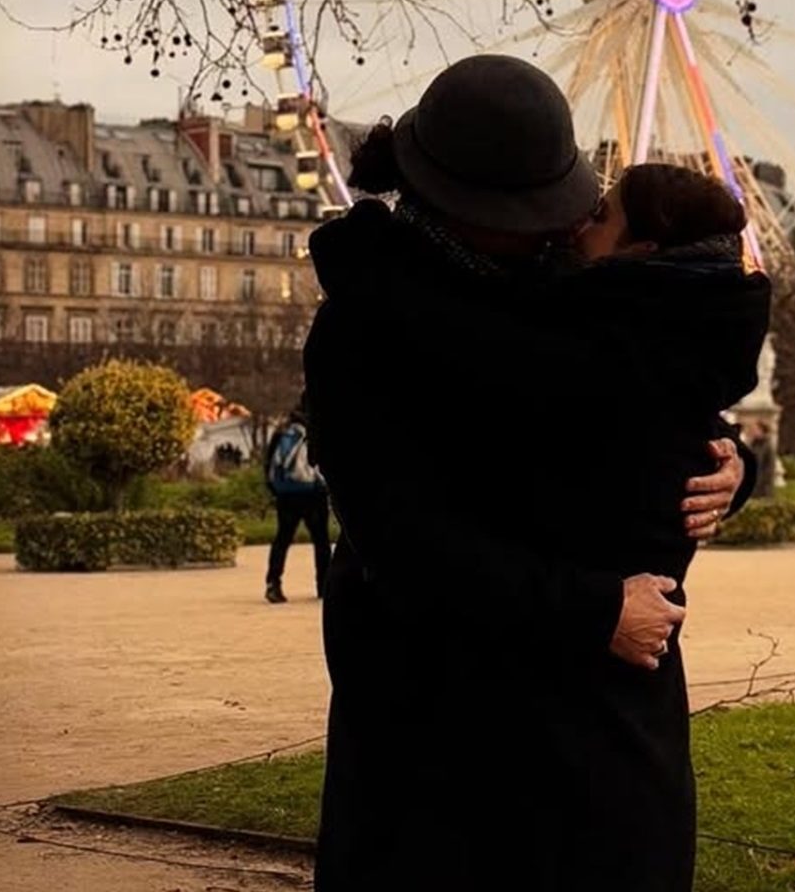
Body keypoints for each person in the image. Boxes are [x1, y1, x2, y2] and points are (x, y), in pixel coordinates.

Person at [304, 56, 758, 891]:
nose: (563, 224)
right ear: (458, 206)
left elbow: (662, 402)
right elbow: (404, 542)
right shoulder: (364, 333)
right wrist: (596, 609)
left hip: (603, 737)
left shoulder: (570, 282)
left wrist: (731, 466)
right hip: (441, 735)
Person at [263, 402, 331, 604]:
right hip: (314, 493)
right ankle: (323, 586)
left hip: (287, 495)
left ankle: (273, 583)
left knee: (282, 539)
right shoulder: (318, 430)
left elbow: (269, 465)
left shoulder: (283, 431)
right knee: (321, 542)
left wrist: (276, 491)